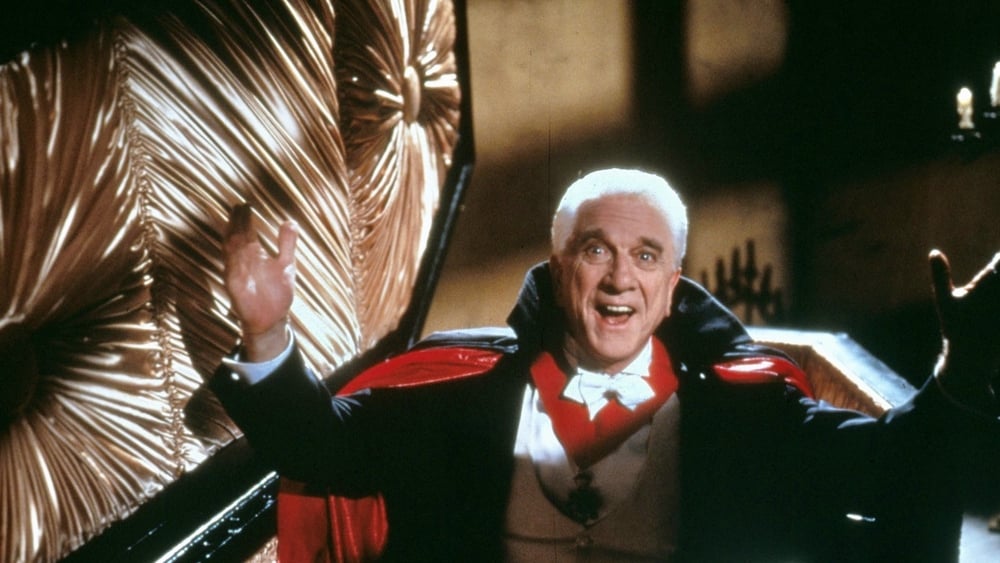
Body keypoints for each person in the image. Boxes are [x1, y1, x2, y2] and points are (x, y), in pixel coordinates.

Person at [211, 168, 1000, 562]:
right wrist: (267, 331)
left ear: (672, 285)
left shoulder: (747, 410)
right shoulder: (460, 393)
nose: (621, 278)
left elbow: (898, 465)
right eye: (597, 251)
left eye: (646, 256)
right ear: (560, 271)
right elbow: (321, 446)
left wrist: (963, 367)